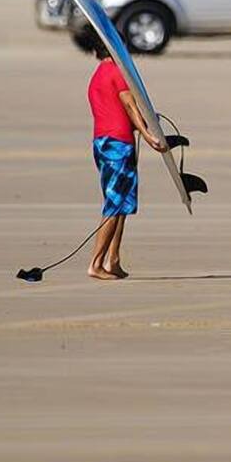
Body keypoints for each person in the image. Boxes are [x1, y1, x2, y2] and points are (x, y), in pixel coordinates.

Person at [87, 33, 166, 279]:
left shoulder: (98, 74)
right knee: (114, 204)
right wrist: (149, 135)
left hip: (104, 142)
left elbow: (116, 110)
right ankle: (95, 263)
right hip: (117, 145)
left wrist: (142, 125)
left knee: (121, 203)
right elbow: (130, 105)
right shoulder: (117, 72)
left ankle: (113, 260)